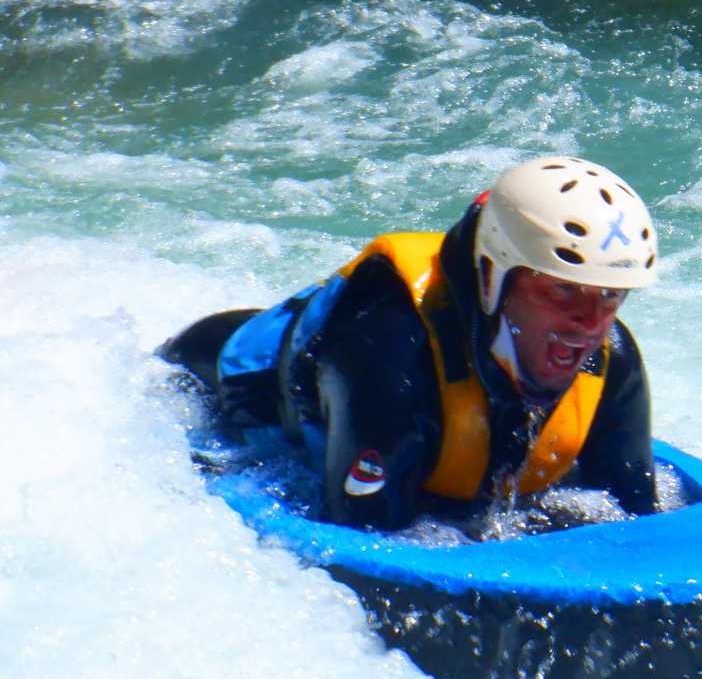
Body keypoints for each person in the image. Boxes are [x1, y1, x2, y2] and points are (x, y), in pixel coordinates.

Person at [160, 156, 662, 529]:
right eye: (562, 288)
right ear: (494, 276)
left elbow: (640, 525)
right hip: (202, 392)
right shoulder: (390, 356)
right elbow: (365, 542)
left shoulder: (609, 362)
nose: (588, 322)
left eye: (609, 296)